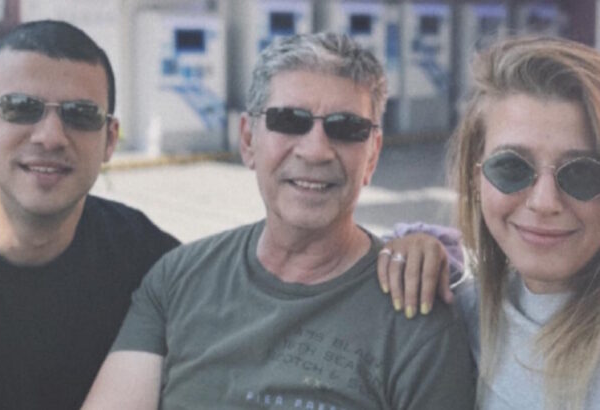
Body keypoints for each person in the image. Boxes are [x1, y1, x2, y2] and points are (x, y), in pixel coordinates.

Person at [82, 32, 475, 409]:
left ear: (372, 155)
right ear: (248, 140)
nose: (316, 150)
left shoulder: (416, 316)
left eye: (346, 128)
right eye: (289, 120)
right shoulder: (177, 280)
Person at [379, 36, 600, 409]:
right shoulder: (459, 317)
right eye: (511, 167)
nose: (544, 202)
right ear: (474, 178)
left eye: (583, 173)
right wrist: (403, 257)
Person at [0, 20, 179, 409]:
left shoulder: (154, 270)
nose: (50, 137)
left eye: (81, 114)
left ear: (110, 139)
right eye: (20, 107)